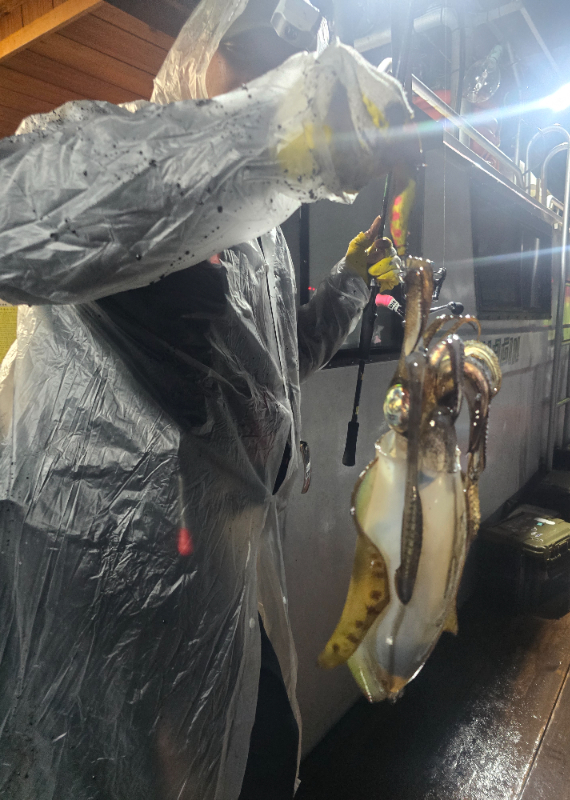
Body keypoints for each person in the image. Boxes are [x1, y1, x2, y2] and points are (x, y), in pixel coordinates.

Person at [0, 1, 416, 798]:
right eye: (251, 49)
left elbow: (272, 369)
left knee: (251, 759)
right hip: (102, 596)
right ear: (194, 55)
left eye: (290, 63)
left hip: (226, 580)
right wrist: (282, 126)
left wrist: (350, 286)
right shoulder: (112, 157)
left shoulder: (261, 243)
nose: (271, 76)